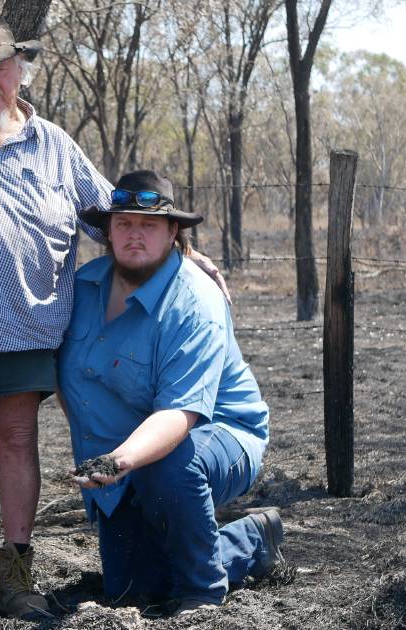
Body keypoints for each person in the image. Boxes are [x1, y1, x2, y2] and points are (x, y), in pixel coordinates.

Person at [0, 12, 229, 625]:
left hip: (25, 326)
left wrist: (183, 251)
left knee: (17, 440)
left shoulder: (54, 145)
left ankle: (16, 569)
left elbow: (114, 216)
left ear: (19, 71)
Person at [57, 170, 284, 615]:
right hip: (128, 455)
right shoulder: (81, 288)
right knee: (132, 589)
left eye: (149, 226)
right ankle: (250, 539)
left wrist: (118, 461)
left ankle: (203, 591)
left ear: (173, 232)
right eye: (123, 224)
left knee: (169, 468)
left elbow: (179, 417)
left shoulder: (195, 301)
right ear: (108, 232)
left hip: (216, 435)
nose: (134, 236)